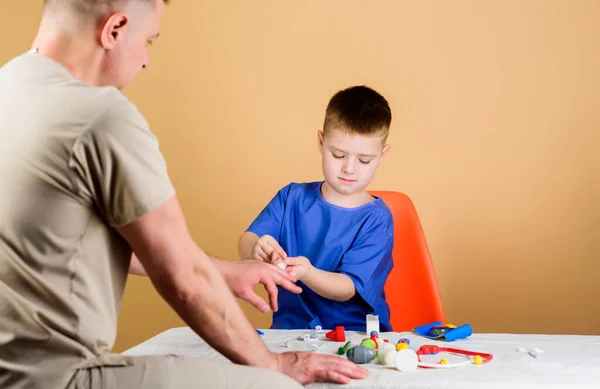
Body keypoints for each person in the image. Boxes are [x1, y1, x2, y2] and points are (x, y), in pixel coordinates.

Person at [0, 1, 369, 388]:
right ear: (115, 29)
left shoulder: (10, 89)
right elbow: (183, 278)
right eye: (148, 41)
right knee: (278, 385)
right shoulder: (100, 116)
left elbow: (71, 242)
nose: (144, 60)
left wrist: (223, 271)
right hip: (58, 380)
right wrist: (275, 366)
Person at [238, 85, 395, 332]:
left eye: (364, 160)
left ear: (382, 155)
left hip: (355, 335)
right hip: (291, 331)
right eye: (338, 155)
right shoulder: (291, 197)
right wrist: (255, 249)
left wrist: (308, 273)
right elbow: (248, 239)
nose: (349, 169)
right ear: (321, 142)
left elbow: (348, 288)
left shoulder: (377, 219)